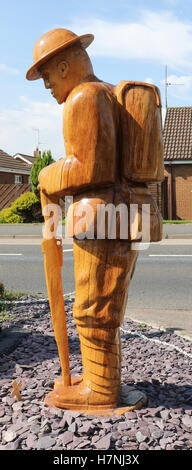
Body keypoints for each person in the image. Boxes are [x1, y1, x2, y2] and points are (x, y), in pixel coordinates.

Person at [26, 28, 162, 411]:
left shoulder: (83, 97)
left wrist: (45, 175)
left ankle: (100, 393)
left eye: (48, 76)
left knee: (94, 307)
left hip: (105, 219)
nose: (48, 86)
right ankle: (100, 379)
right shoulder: (104, 94)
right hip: (123, 216)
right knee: (103, 305)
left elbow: (89, 168)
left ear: (65, 66)